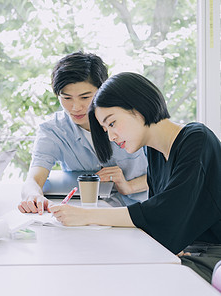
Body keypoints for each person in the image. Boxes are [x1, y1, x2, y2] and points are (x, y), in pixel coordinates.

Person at [51, 72, 221, 282]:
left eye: (111, 124)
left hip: (215, 256)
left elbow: (164, 213)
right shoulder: (155, 151)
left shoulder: (197, 139)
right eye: (105, 130)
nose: (111, 137)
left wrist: (86, 215)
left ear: (138, 108)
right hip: (189, 250)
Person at [18, 52, 148, 215]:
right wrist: (34, 196)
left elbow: (170, 173)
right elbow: (33, 179)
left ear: (103, 89)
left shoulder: (131, 117)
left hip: (144, 209)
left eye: (85, 97)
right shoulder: (54, 130)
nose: (75, 107)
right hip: (92, 214)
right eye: (67, 98)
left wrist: (129, 187)